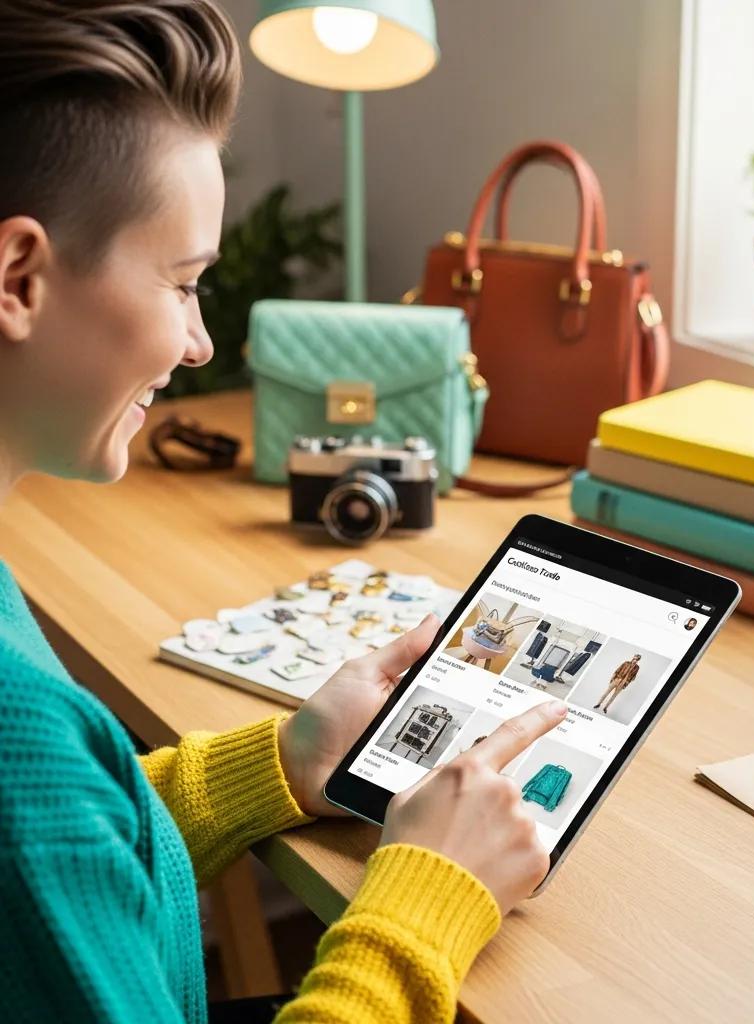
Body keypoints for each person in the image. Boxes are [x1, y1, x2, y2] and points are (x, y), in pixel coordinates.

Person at [0, 2, 567, 1022]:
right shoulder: (18, 739)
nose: (199, 344)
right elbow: (30, 820)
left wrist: (281, 764)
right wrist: (422, 902)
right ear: (19, 277)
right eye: (183, 284)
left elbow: (66, 845)